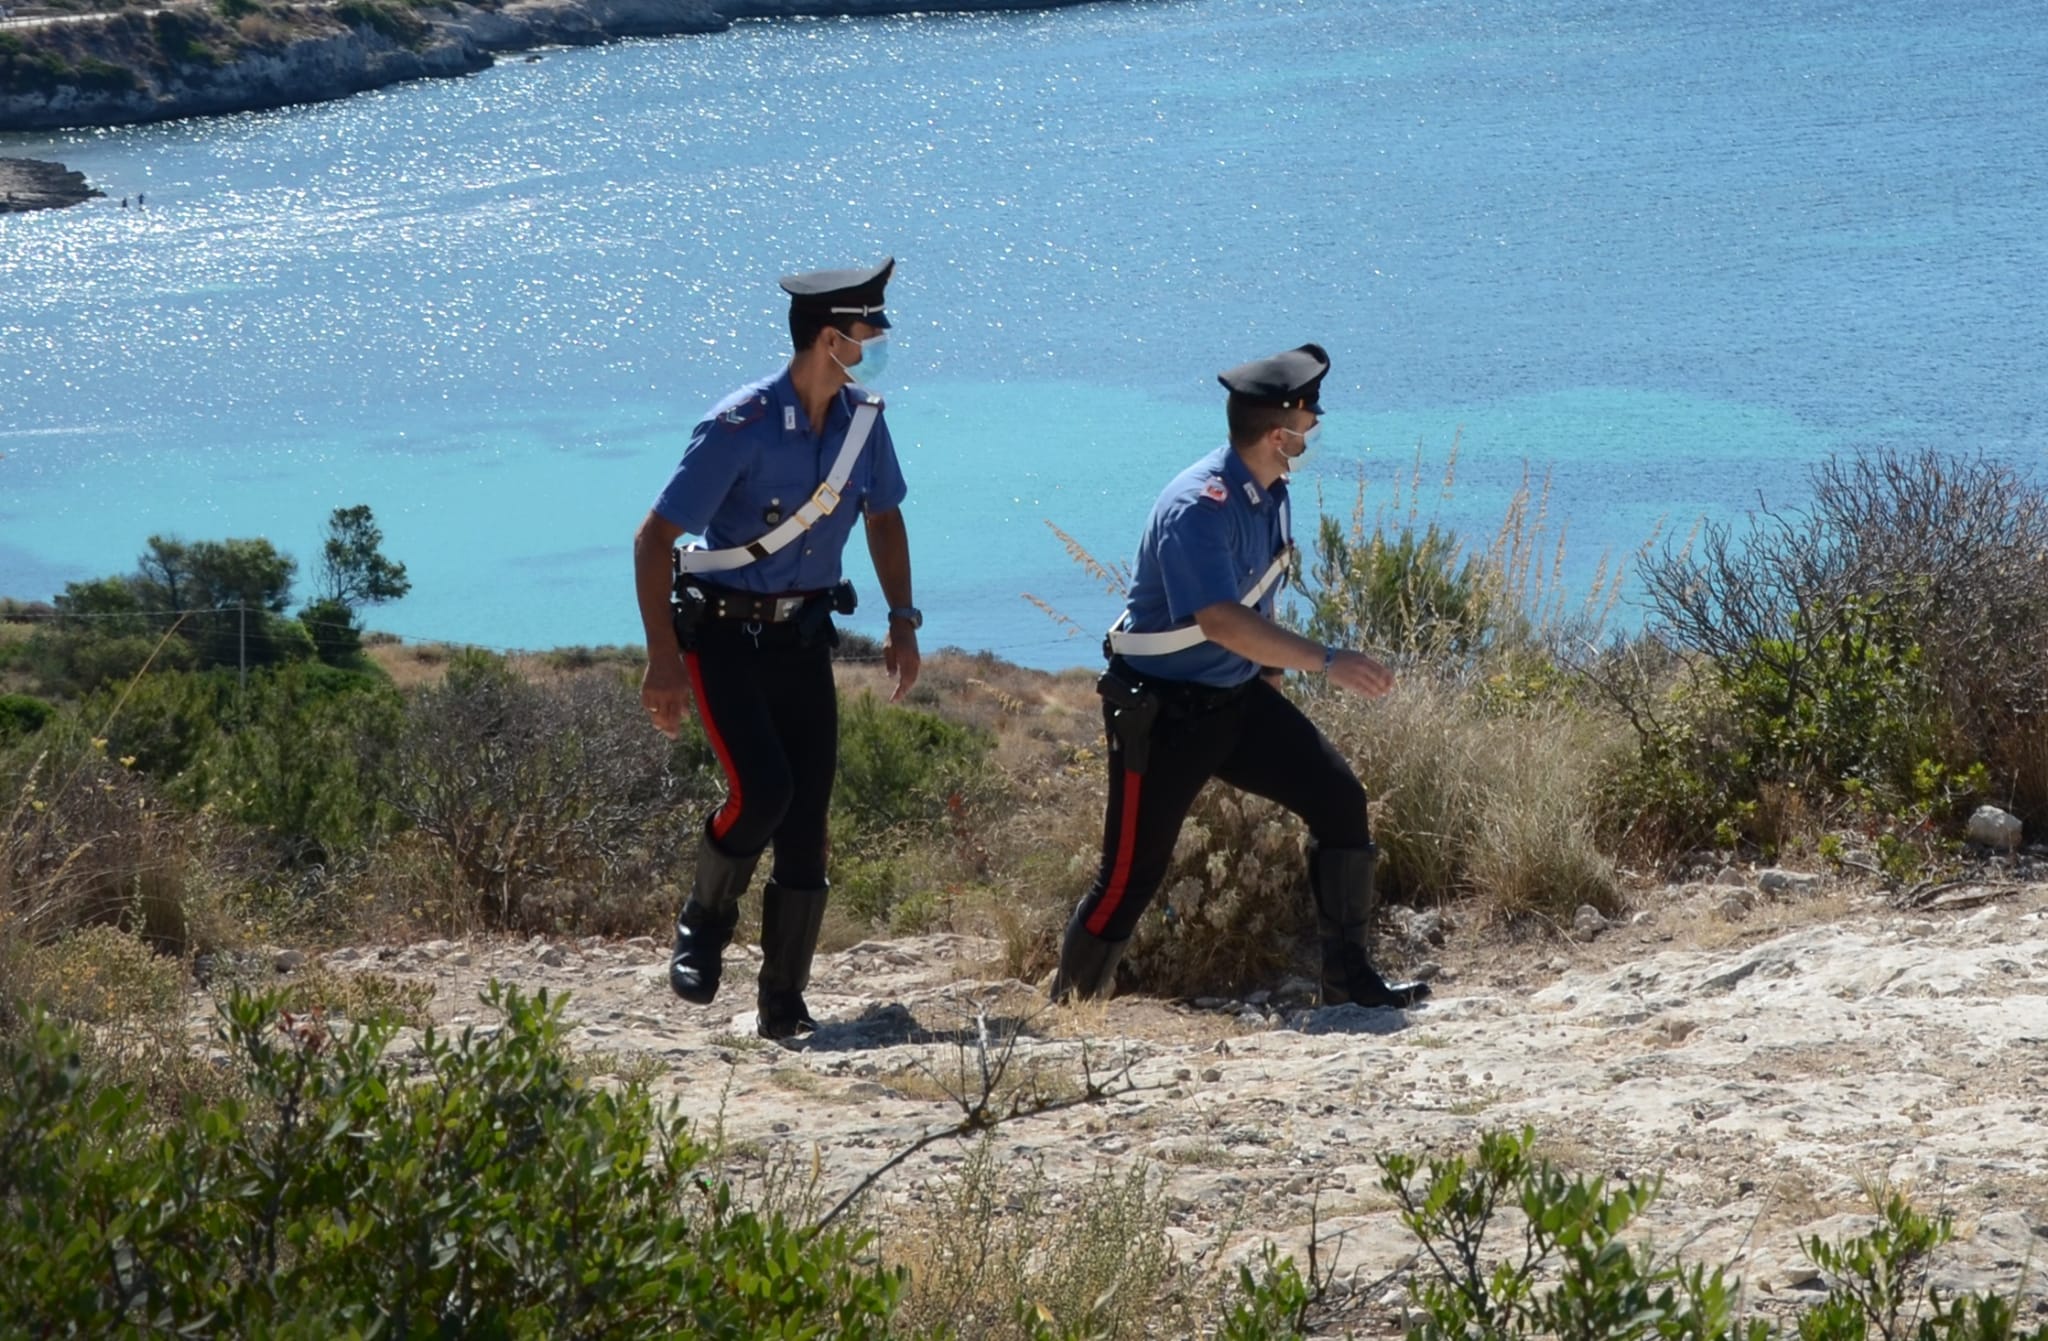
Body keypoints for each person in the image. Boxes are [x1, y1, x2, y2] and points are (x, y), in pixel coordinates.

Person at [1051, 342, 1430, 1011]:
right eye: (1309, 415)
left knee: (1340, 798)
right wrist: (1329, 661)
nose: (1315, 424)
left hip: (1237, 699)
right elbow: (1223, 619)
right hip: (1163, 717)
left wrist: (1276, 693)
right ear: (1278, 430)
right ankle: (1068, 1012)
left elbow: (1260, 598)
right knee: (1129, 877)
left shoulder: (1271, 490)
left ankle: (1349, 983)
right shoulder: (1199, 505)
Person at [633, 257, 923, 1041]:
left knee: (807, 821)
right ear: (831, 339)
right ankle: (703, 919)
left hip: (800, 639)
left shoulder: (865, 422)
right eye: (869, 331)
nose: (879, 342)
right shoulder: (742, 424)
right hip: (724, 637)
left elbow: (884, 519)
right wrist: (661, 660)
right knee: (761, 794)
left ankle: (783, 1003)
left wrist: (903, 619)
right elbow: (655, 537)